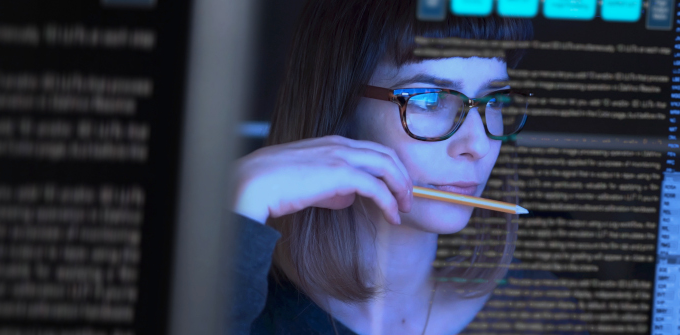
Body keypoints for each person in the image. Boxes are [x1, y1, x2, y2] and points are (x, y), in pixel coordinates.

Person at [229, 1, 571, 334]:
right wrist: (239, 209)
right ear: (340, 105)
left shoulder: (537, 311)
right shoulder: (238, 301)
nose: (478, 145)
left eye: (493, 101)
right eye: (429, 99)